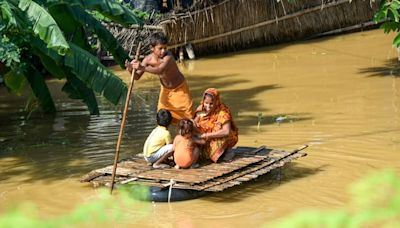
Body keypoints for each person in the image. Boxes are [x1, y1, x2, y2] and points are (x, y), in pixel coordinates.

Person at [125, 32, 193, 124]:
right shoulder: (147, 59)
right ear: (152, 48)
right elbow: (136, 77)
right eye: (160, 48)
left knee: (187, 120)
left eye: (165, 48)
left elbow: (160, 70)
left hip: (180, 90)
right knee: (162, 118)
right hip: (165, 91)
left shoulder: (168, 57)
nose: (163, 51)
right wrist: (130, 69)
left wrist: (141, 67)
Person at [193, 88, 239, 163]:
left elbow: (226, 131)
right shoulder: (201, 109)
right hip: (203, 137)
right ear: (203, 101)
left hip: (218, 137)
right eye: (206, 103)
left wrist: (206, 135)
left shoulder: (223, 112)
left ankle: (226, 150)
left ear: (216, 102)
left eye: (211, 104)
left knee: (224, 137)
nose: (208, 106)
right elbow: (194, 122)